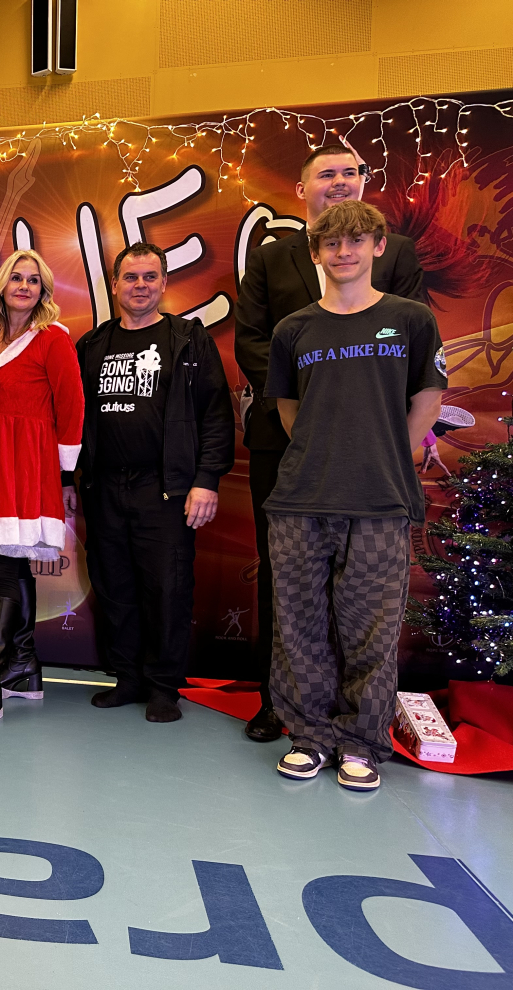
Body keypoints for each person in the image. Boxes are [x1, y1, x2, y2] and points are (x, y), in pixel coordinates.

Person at [234, 143, 427, 743]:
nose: (340, 181)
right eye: (326, 173)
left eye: (350, 172)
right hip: (288, 448)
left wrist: (375, 433)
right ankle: (285, 709)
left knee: (366, 602)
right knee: (288, 586)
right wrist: (314, 413)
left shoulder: (397, 258)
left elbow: (417, 370)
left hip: (375, 456)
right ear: (302, 189)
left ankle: (358, 725)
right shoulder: (271, 258)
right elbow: (253, 342)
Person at [264, 200, 445, 791]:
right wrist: (325, 450)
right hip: (299, 502)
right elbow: (290, 411)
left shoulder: (411, 319)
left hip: (379, 502)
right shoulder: (293, 330)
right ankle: (310, 737)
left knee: (372, 630)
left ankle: (362, 743)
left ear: (377, 246)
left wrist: (383, 455)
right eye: (331, 244)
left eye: (356, 241)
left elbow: (428, 401)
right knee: (299, 626)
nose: (343, 252)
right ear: (316, 253)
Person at [75, 242, 234, 723]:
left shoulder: (188, 340)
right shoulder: (92, 345)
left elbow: (215, 414)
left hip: (166, 489)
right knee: (114, 587)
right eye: (131, 277)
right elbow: (72, 419)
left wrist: (206, 480)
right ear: (115, 285)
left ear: (164, 283)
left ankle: (164, 687)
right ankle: (127, 679)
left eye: (149, 277)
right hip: (104, 488)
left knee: (167, 589)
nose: (140, 285)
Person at [0, 250, 84, 731]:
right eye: (17, 278)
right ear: (2, 287)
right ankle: (24, 665)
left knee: (7, 568)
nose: (25, 286)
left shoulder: (54, 338)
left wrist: (65, 475)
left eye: (34, 280)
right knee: (5, 565)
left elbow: (71, 406)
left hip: (28, 464)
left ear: (43, 291)